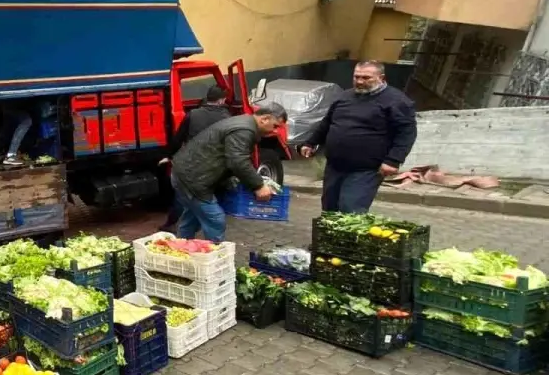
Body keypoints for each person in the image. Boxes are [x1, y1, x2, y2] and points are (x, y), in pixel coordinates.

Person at [301, 61, 417, 214]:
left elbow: (407, 132)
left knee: (351, 208)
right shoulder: (344, 96)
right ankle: (330, 238)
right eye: (356, 77)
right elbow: (327, 122)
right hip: (335, 165)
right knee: (330, 208)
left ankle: (349, 238)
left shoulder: (396, 101)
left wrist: (393, 160)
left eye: (366, 78)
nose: (360, 81)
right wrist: (310, 142)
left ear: (381, 78)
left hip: (366, 169)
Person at [170, 104, 287, 242]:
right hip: (192, 178)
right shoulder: (245, 129)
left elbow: (233, 159)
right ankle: (215, 257)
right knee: (216, 219)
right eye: (275, 126)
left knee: (192, 217)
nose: (276, 131)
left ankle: (181, 250)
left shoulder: (244, 123)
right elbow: (238, 161)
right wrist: (258, 185)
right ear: (265, 119)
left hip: (187, 173)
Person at [158, 86, 232, 231]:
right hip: (213, 165)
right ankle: (207, 223)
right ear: (222, 100)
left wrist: (169, 156)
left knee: (182, 196)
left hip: (191, 164)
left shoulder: (193, 114)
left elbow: (178, 138)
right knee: (209, 196)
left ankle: (171, 224)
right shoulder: (227, 118)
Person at [0, 99, 36, 167]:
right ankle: (11, 156)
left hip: (8, 105)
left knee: (13, 125)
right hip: (13, 105)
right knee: (26, 121)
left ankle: (8, 154)